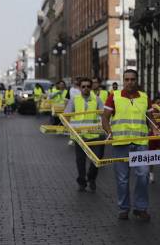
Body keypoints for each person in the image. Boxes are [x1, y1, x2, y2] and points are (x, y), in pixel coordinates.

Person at [102, 69, 159, 221]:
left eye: (132, 79)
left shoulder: (145, 97)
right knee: (122, 179)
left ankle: (140, 208)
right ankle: (124, 208)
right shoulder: (114, 96)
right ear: (123, 80)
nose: (129, 82)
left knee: (144, 175)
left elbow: (150, 118)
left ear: (136, 80)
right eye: (126, 79)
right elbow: (105, 118)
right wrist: (109, 132)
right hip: (121, 143)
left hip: (141, 143)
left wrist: (154, 128)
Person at [65, 78, 104, 192]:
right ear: (80, 88)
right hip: (80, 136)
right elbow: (67, 115)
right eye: (83, 86)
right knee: (80, 161)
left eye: (88, 86)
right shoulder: (74, 100)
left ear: (91, 88)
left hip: (95, 135)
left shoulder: (97, 100)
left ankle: (91, 178)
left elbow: (103, 116)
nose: (86, 88)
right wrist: (69, 129)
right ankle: (82, 182)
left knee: (96, 160)